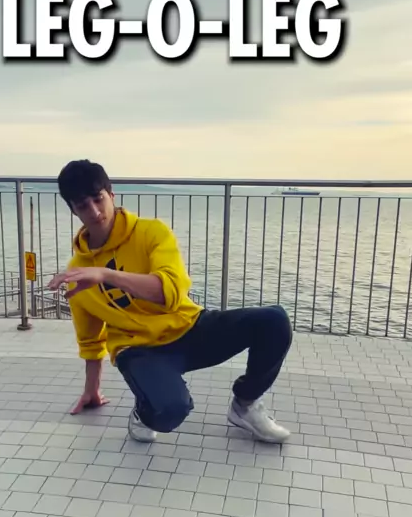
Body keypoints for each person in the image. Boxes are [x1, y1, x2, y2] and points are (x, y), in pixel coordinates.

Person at [48, 160, 292, 444]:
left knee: (273, 321)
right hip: (138, 349)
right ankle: (145, 411)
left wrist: (107, 274)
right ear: (73, 210)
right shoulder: (79, 274)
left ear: (111, 195)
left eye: (98, 198)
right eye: (82, 205)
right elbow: (90, 340)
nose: (94, 211)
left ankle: (245, 405)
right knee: (170, 410)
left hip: (189, 327)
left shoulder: (151, 232)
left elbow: (169, 293)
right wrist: (92, 390)